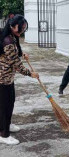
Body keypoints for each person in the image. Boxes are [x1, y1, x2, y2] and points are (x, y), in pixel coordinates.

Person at [0, 15, 39, 145]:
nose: (22, 31)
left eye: (23, 29)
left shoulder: (12, 37)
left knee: (10, 102)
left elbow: (15, 54)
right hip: (2, 78)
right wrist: (30, 73)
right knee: (5, 106)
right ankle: (4, 135)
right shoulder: (7, 41)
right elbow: (16, 65)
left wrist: (22, 54)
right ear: (12, 26)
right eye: (21, 28)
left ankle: (7, 124)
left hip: (8, 78)